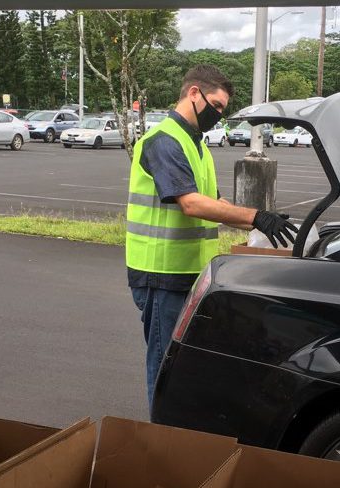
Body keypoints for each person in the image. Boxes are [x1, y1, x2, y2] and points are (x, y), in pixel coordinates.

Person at [126, 64, 297, 410]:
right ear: (193, 93)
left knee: (185, 365)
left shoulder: (196, 145)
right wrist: (255, 217)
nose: (217, 116)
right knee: (165, 366)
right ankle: (161, 441)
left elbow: (214, 202)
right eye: (216, 106)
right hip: (161, 276)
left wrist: (260, 224)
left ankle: (179, 434)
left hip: (188, 274)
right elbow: (190, 204)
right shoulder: (164, 141)